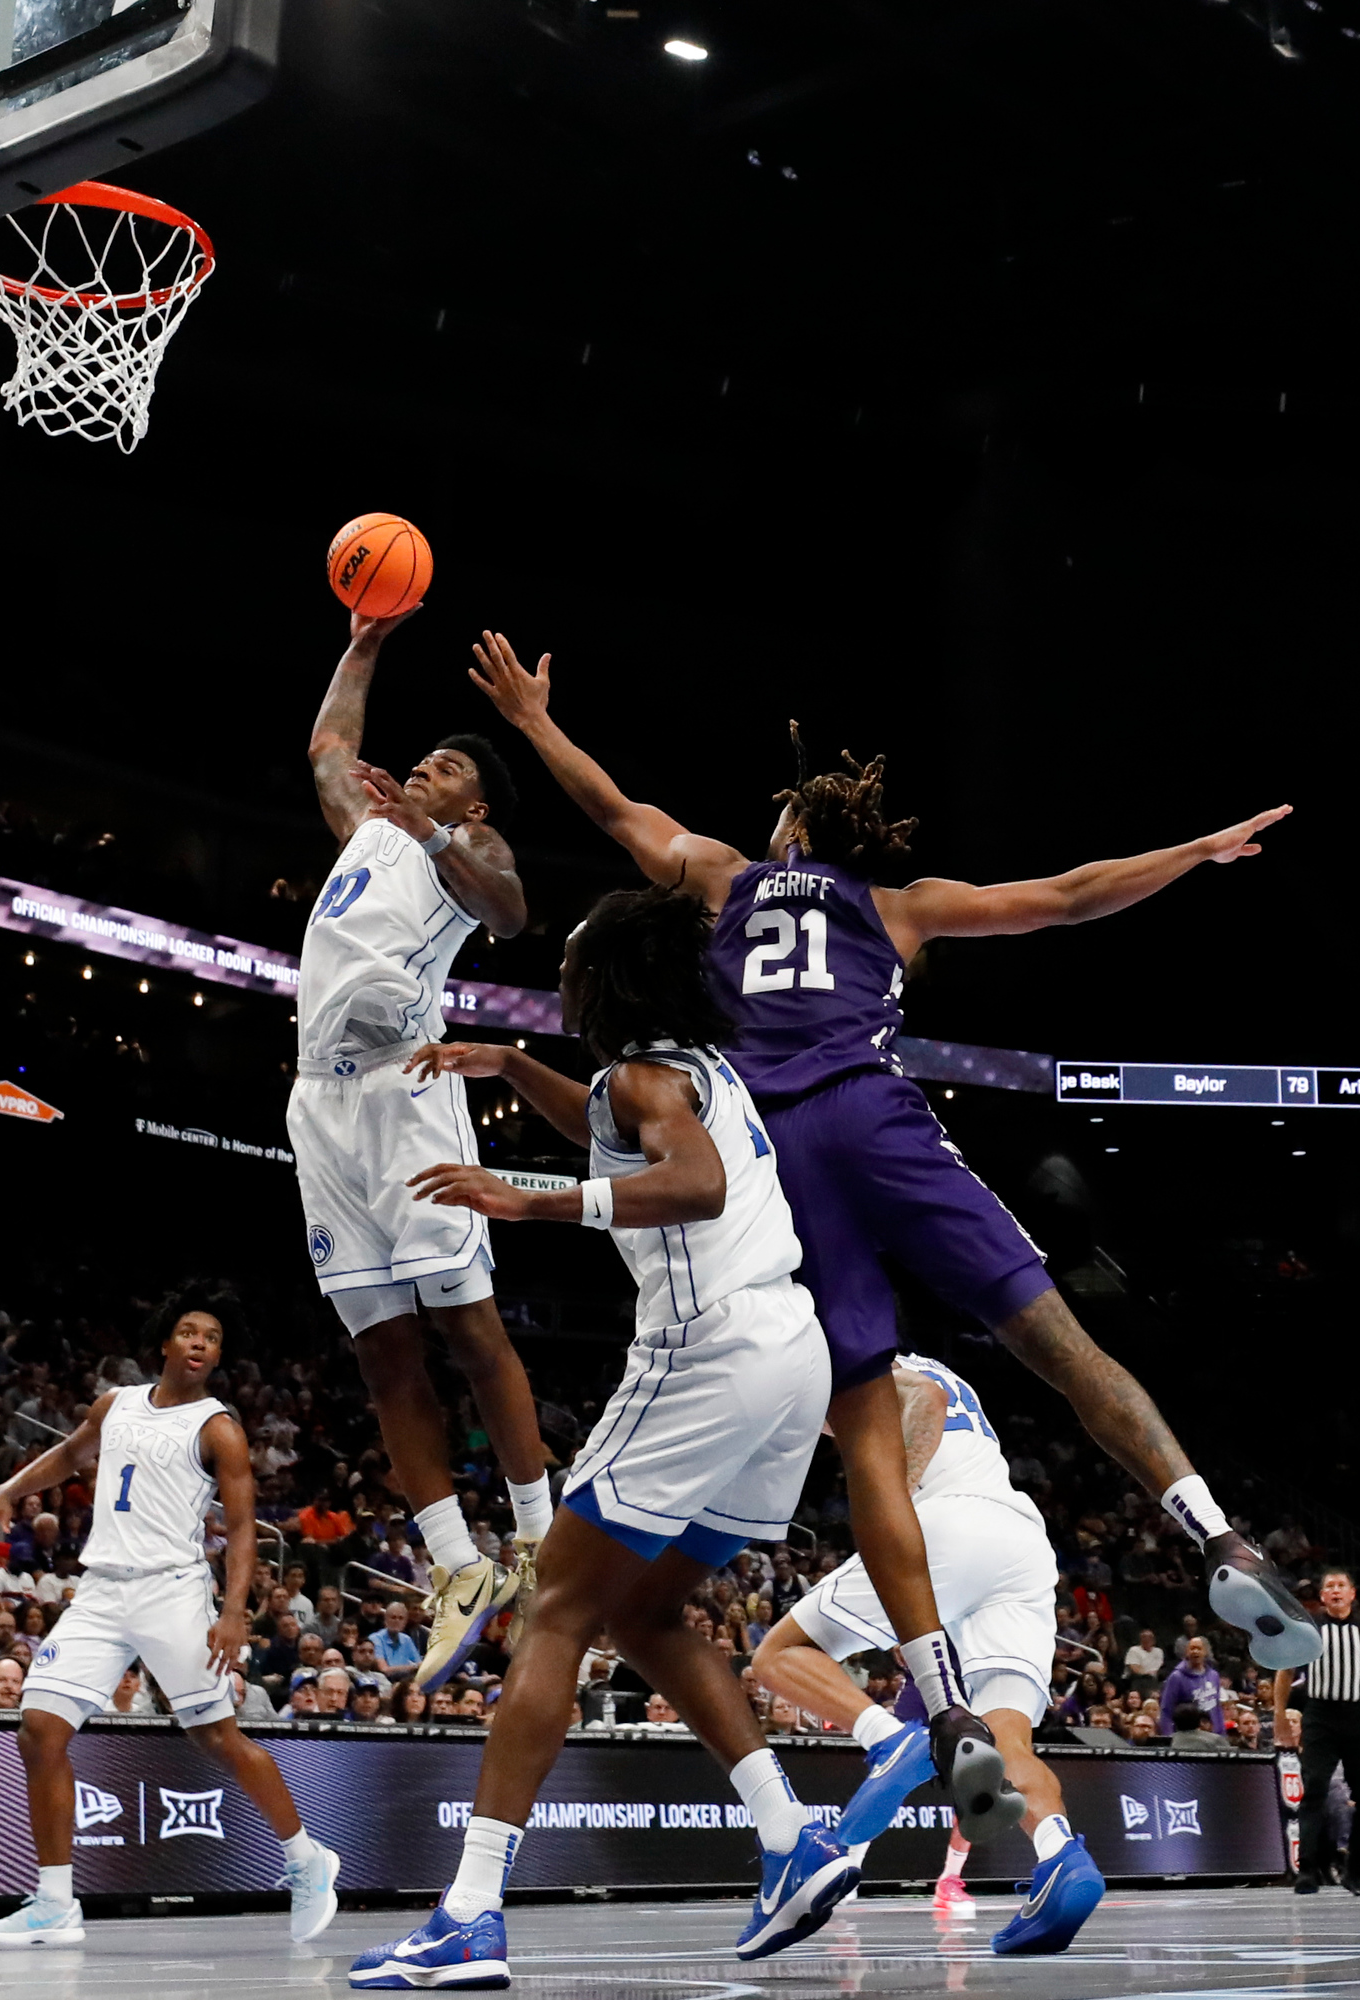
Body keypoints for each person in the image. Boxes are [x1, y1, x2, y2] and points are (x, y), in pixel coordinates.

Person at [466, 634, 1318, 1689]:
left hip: (774, 1151)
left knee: (866, 1431)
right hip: (879, 1117)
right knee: (1059, 1340)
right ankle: (1217, 1534)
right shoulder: (898, 906)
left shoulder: (721, 876)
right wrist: (1194, 850)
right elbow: (1067, 895)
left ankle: (941, 1695)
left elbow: (614, 809)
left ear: (793, 829)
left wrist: (536, 721)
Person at [351, 887, 877, 1983]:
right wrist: (505, 1064)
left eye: (574, 956)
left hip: (709, 1347)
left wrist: (526, 1200)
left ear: (606, 978)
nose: (563, 971)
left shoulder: (650, 1078)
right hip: (792, 1352)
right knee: (641, 1608)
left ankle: (468, 1913)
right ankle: (790, 1836)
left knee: (557, 1606)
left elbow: (691, 1181)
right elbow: (617, 1116)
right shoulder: (688, 1066)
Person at [294, 608, 555, 1690]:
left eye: (446, 768)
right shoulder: (369, 831)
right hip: (322, 1105)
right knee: (380, 1351)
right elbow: (325, 748)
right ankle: (459, 1563)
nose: (422, 767)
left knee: (466, 1325)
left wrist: (439, 830)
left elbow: (513, 911)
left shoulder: (462, 850)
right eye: (424, 759)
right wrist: (362, 639)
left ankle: (538, 1536)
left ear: (471, 802)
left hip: (410, 1093)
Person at [0, 1288, 340, 1947]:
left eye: (212, 1337)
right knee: (39, 1730)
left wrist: (233, 1611)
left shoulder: (219, 1427)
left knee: (217, 1738)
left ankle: (307, 1859)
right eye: (189, 1332)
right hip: (103, 1590)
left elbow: (245, 1526)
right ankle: (55, 1904)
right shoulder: (117, 1405)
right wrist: (3, 1493)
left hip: (173, 1593)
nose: (199, 1343)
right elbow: (70, 1456)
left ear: (218, 1356)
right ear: (164, 1343)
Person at [751, 1352, 1108, 1956]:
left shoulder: (840, 1349)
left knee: (779, 1654)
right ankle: (1061, 1856)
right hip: (1019, 1538)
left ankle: (890, 1738)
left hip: (948, 1523)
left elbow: (921, 1401)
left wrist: (890, 1505)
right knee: (1007, 1738)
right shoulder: (945, 1364)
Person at [1267, 1567, 1360, 1895]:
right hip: (1320, 1715)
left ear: (1352, 1593)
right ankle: (1308, 1869)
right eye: (1329, 1586)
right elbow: (1285, 1670)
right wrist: (1279, 1713)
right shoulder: (1309, 1626)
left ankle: (1356, 1870)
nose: (1335, 1590)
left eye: (1341, 1585)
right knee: (1314, 1788)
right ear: (1321, 1596)